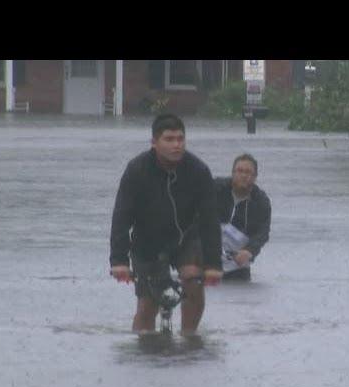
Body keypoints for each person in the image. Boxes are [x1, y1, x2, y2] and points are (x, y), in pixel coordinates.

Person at [109, 114, 223, 335]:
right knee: (147, 305)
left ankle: (190, 337)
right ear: (154, 143)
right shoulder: (137, 170)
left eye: (180, 139)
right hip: (147, 241)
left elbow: (210, 220)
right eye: (169, 139)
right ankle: (146, 345)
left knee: (193, 279)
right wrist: (119, 261)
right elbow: (121, 217)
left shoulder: (199, 170)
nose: (176, 145)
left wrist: (213, 264)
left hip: (187, 237)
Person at [215, 153, 271, 281]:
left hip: (238, 266)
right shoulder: (215, 188)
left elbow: (263, 233)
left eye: (248, 172)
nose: (244, 175)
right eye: (239, 171)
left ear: (255, 177)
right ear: (233, 173)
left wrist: (249, 251)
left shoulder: (261, 201)